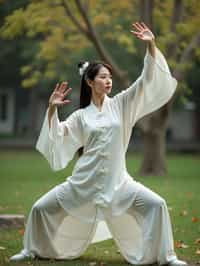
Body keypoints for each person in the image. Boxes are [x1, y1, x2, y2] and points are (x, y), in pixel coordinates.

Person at [10, 22, 187, 266]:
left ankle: (167, 257)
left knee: (157, 205)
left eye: (110, 77)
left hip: (119, 185)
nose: (109, 80)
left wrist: (151, 46)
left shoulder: (122, 105)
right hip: (82, 184)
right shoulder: (81, 116)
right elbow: (59, 135)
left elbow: (145, 81)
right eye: (103, 77)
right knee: (40, 208)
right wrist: (51, 109)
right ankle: (31, 249)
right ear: (90, 82)